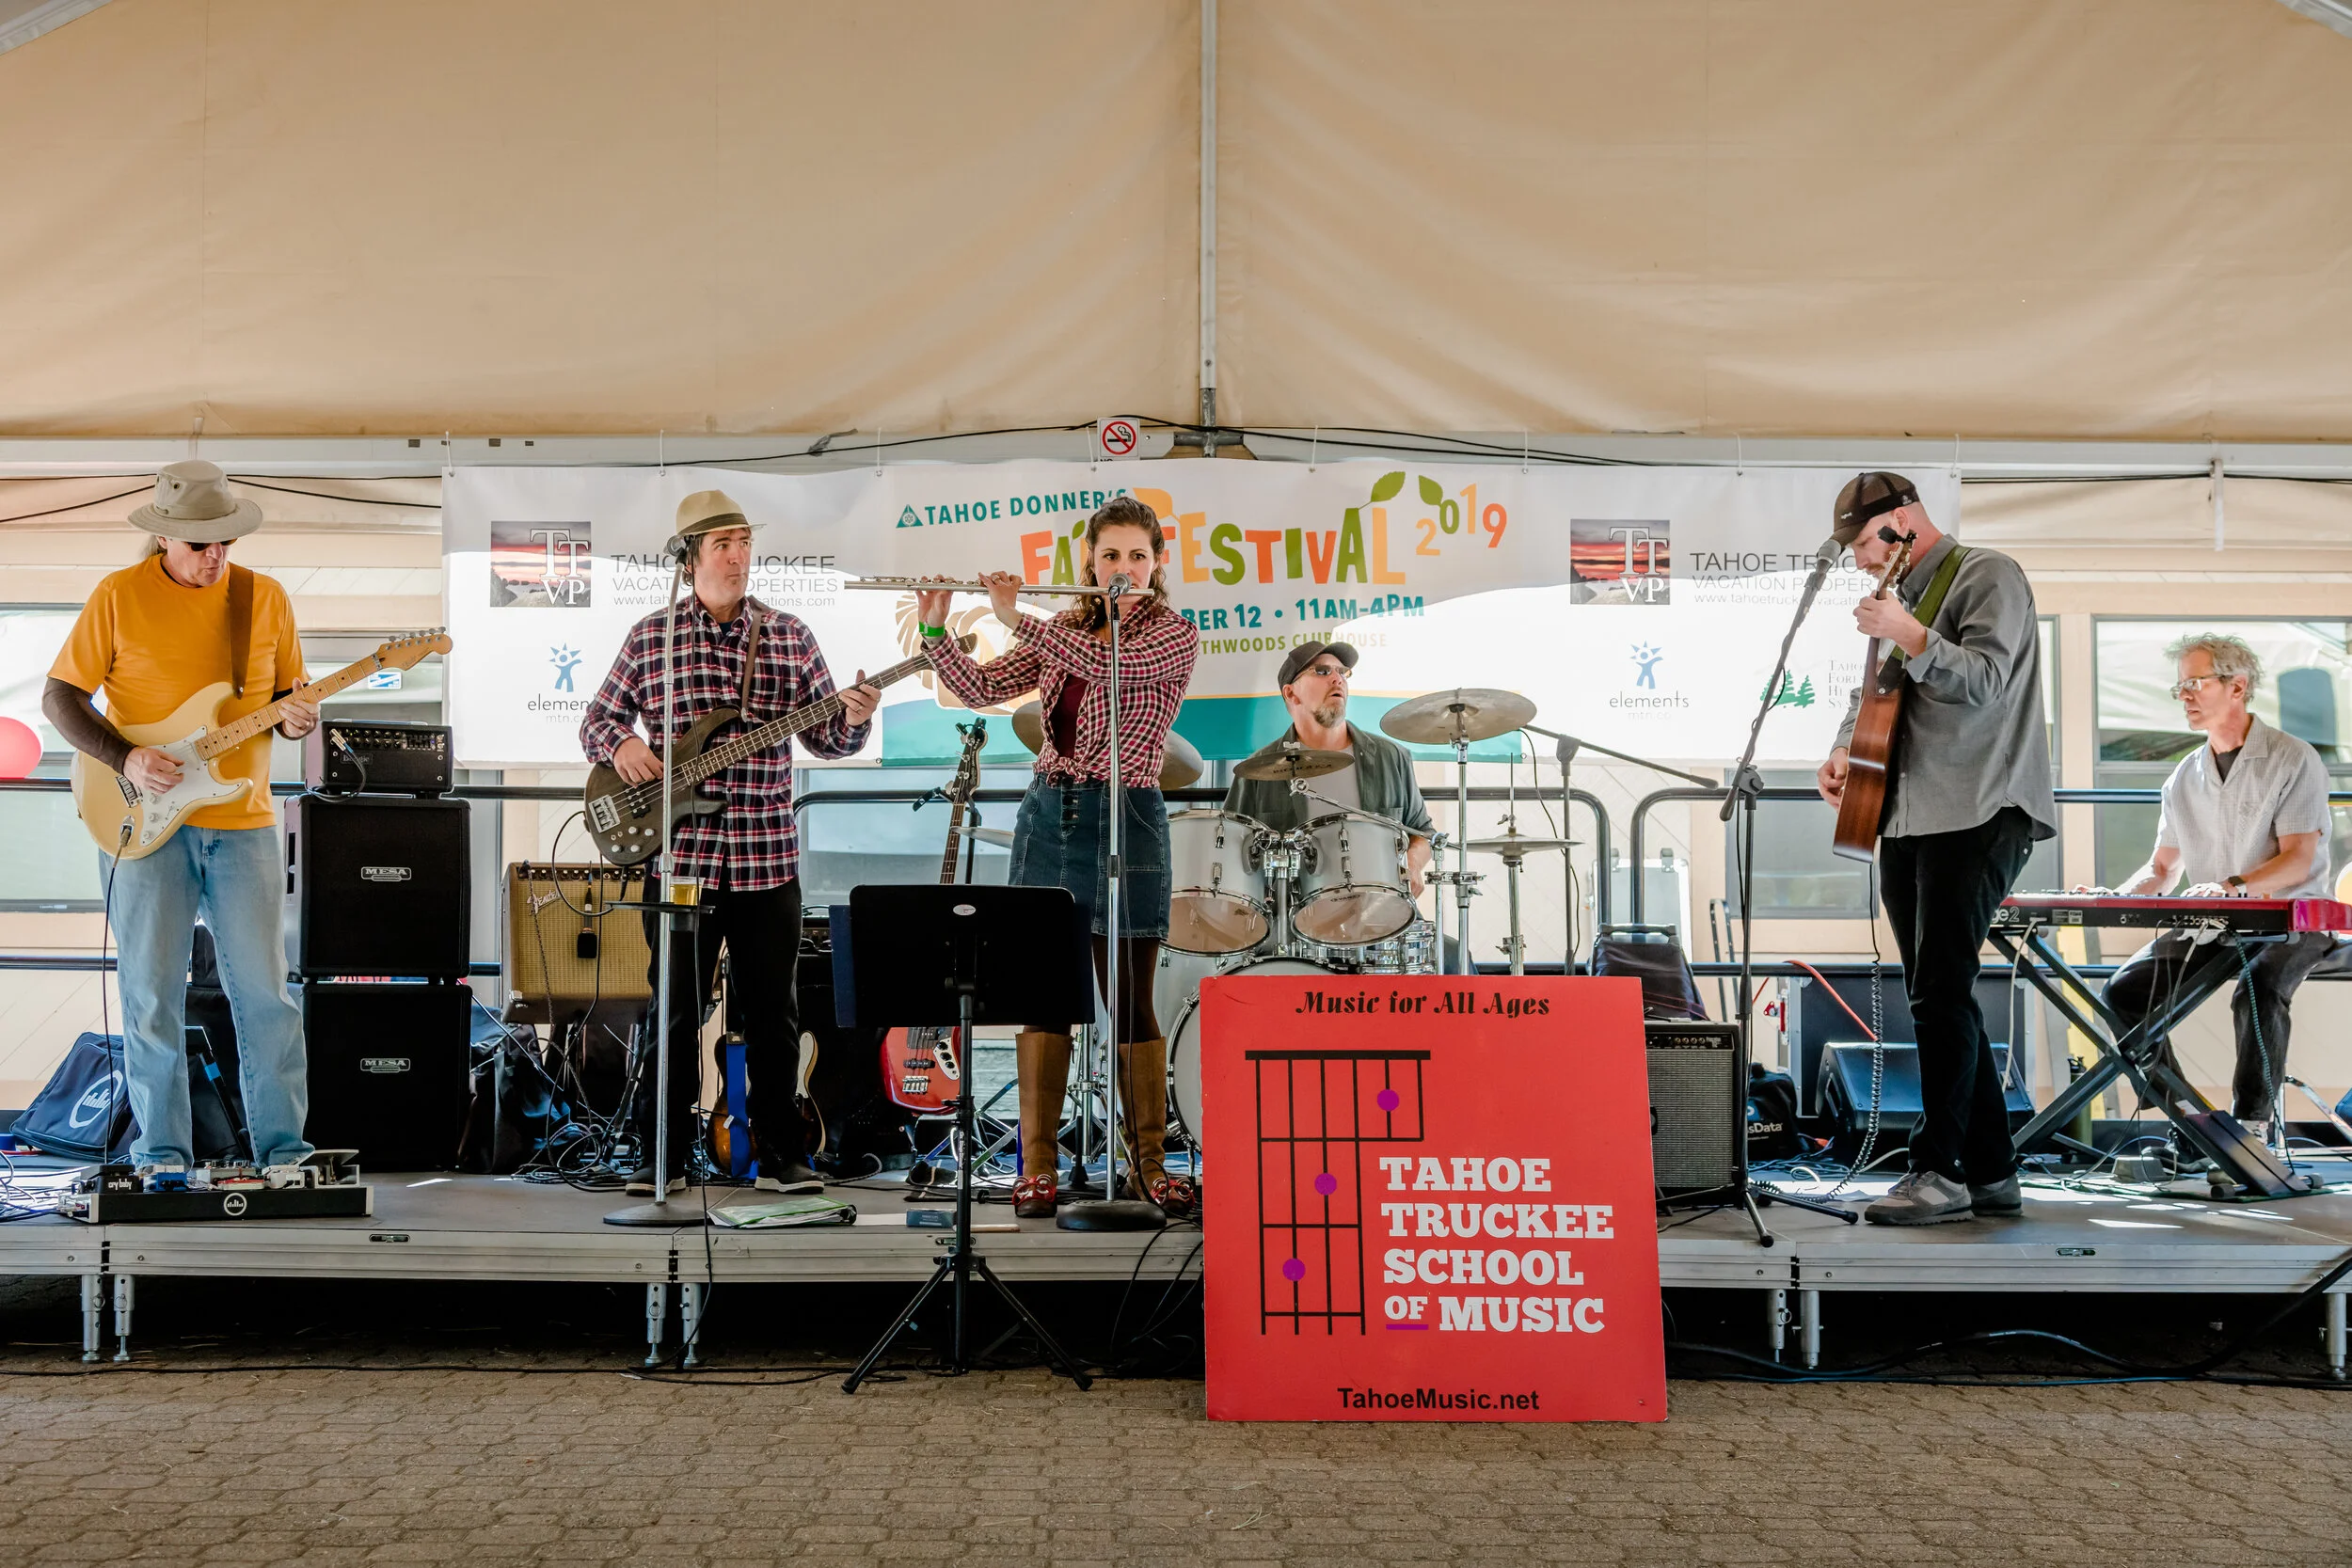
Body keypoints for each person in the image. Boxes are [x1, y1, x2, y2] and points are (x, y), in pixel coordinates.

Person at [580, 490, 881, 1196]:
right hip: (681, 861)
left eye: (745, 541)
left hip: (766, 857)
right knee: (673, 1011)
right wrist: (622, 742)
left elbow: (829, 738)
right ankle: (665, 1156)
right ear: (690, 560)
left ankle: (782, 1154)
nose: (739, 555)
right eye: (723, 544)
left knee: (774, 1014)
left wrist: (858, 717)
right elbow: (598, 717)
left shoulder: (788, 634)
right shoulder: (653, 637)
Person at [914, 495, 1202, 1219]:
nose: (1123, 569)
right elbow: (980, 687)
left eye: (1138, 555)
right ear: (1089, 561)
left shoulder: (1173, 635)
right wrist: (935, 622)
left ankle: (1145, 1162)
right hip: (1051, 811)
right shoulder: (1067, 627)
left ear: (1158, 562)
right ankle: (1036, 1163)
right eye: (1111, 556)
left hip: (1128, 814)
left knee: (1129, 995)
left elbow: (1114, 669)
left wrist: (1018, 617)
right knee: (1044, 991)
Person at [42, 461, 318, 1178]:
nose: (215, 554)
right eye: (200, 544)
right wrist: (126, 756)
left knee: (266, 993)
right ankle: (162, 1156)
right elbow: (60, 699)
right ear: (164, 537)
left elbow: (288, 703)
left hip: (245, 822)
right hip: (140, 820)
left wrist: (298, 720)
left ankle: (284, 1154)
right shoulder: (117, 596)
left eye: (224, 540)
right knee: (151, 994)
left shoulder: (266, 598)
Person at [1815, 471, 2056, 1226]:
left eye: (1863, 543)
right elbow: (1874, 695)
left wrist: (1912, 634)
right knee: (1935, 990)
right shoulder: (1900, 597)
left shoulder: (1988, 574)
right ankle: (1992, 1169)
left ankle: (1939, 1168)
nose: (1858, 561)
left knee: (1940, 988)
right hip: (1909, 810)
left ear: (1902, 522)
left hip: (1982, 804)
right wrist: (1843, 748)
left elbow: (1987, 680)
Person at [2095, 634, 2332, 1150]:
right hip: (2214, 924)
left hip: (2293, 920)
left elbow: (2300, 859)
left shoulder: (2293, 758)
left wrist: (2233, 886)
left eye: (2195, 683)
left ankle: (2251, 1127)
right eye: (2180, 686)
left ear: (2238, 686)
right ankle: (2192, 1123)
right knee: (2122, 994)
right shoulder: (2184, 776)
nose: (2184, 694)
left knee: (2260, 984)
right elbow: (2162, 866)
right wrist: (2111, 896)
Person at [1223, 641, 1434, 920]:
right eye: (1321, 671)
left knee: (1457, 959)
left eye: (1343, 672)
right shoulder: (1257, 770)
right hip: (1294, 926)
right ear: (1291, 693)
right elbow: (1230, 846)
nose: (1337, 679)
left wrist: (1413, 863)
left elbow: (1423, 833)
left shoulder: (1390, 757)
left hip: (1383, 917)